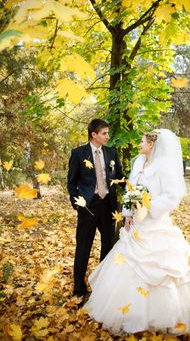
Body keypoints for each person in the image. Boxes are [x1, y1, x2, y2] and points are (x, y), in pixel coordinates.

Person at [84, 129, 190, 336]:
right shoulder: (138, 163)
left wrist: (148, 207)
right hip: (135, 225)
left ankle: (166, 316)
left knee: (162, 270)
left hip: (155, 224)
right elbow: (130, 190)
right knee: (127, 262)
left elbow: (172, 197)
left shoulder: (164, 167)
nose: (139, 145)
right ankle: (126, 312)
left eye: (143, 141)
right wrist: (128, 213)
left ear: (152, 144)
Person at [67, 119, 124, 305]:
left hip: (108, 206)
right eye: (104, 133)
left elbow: (119, 177)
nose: (108, 136)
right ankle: (79, 289)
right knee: (83, 248)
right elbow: (71, 183)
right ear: (94, 135)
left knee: (108, 247)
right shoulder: (78, 154)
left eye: (108, 133)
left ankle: (102, 286)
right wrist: (78, 204)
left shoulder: (111, 152)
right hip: (88, 208)